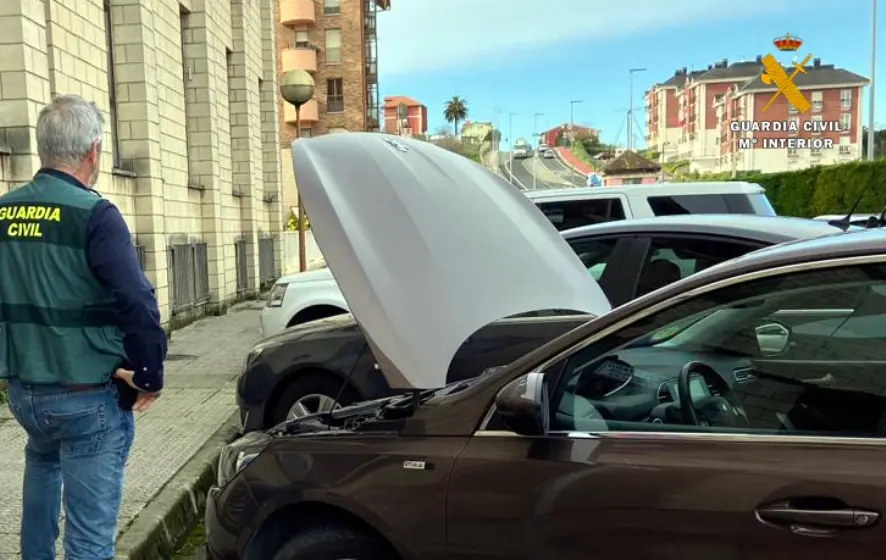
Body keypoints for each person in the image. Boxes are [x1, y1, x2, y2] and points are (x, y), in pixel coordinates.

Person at [0, 94, 167, 559]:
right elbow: (136, 299)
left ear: (43, 148)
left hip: (26, 395)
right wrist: (150, 373)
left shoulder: (3, 212)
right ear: (94, 151)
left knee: (42, 465)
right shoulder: (95, 215)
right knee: (90, 540)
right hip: (87, 398)